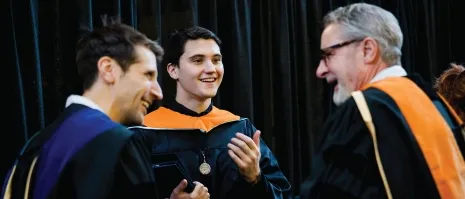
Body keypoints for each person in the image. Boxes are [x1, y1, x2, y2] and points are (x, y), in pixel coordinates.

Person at [2, 17, 209, 199]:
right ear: (108, 70)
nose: (158, 93)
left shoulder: (35, 145)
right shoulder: (119, 143)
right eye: (147, 75)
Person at [300, 3, 465, 199]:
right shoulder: (437, 106)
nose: (320, 70)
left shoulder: (361, 113)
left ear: (368, 50)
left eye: (328, 54)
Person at [133, 26, 291, 199]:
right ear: (173, 70)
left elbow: (283, 194)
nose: (211, 69)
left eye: (216, 60)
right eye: (198, 60)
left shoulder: (239, 129)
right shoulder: (145, 132)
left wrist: (256, 178)